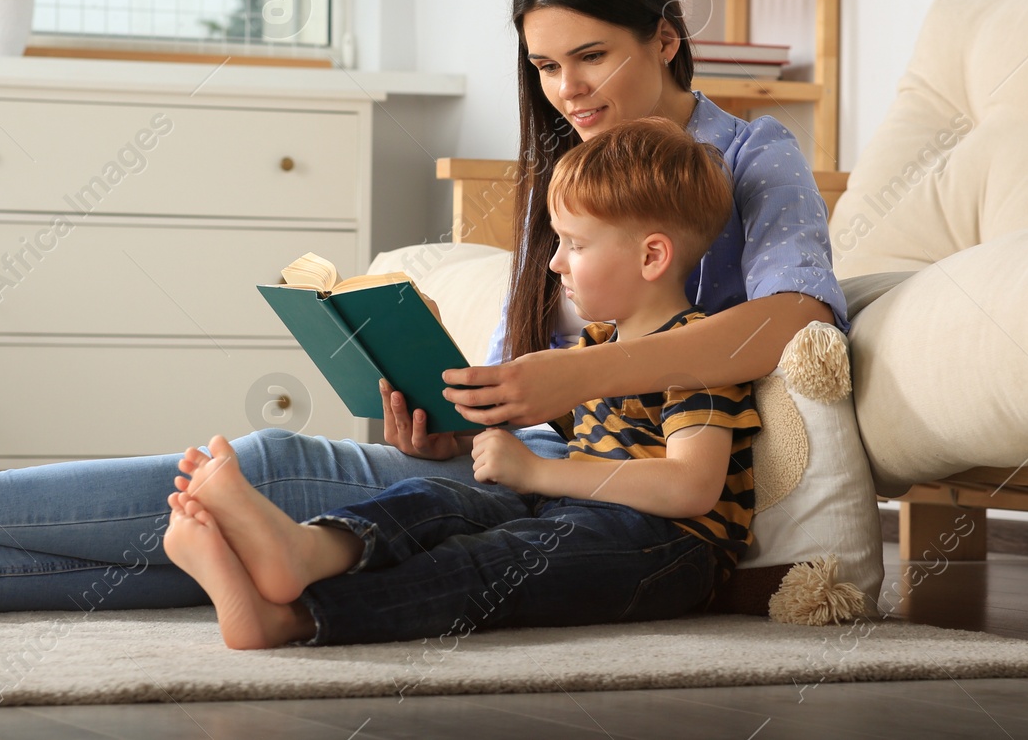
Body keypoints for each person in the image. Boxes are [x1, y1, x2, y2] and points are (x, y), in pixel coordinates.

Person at [0, 0, 848, 624]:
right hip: (529, 454)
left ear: (665, 33)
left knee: (270, 469)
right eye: (546, 66)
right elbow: (525, 374)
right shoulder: (567, 176)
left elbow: (798, 317)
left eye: (590, 56)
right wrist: (452, 415)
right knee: (253, 512)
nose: (567, 89)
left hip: (598, 481)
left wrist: (562, 392)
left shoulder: (750, 156)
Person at [160, 116, 759, 647]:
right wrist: (461, 427)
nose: (554, 263)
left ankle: (293, 618)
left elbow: (690, 488)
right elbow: (555, 447)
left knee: (495, 562)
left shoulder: (695, 355)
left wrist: (537, 471)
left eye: (575, 245)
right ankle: (308, 550)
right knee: (440, 501)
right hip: (577, 513)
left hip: (673, 551)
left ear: (653, 257)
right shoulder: (598, 347)